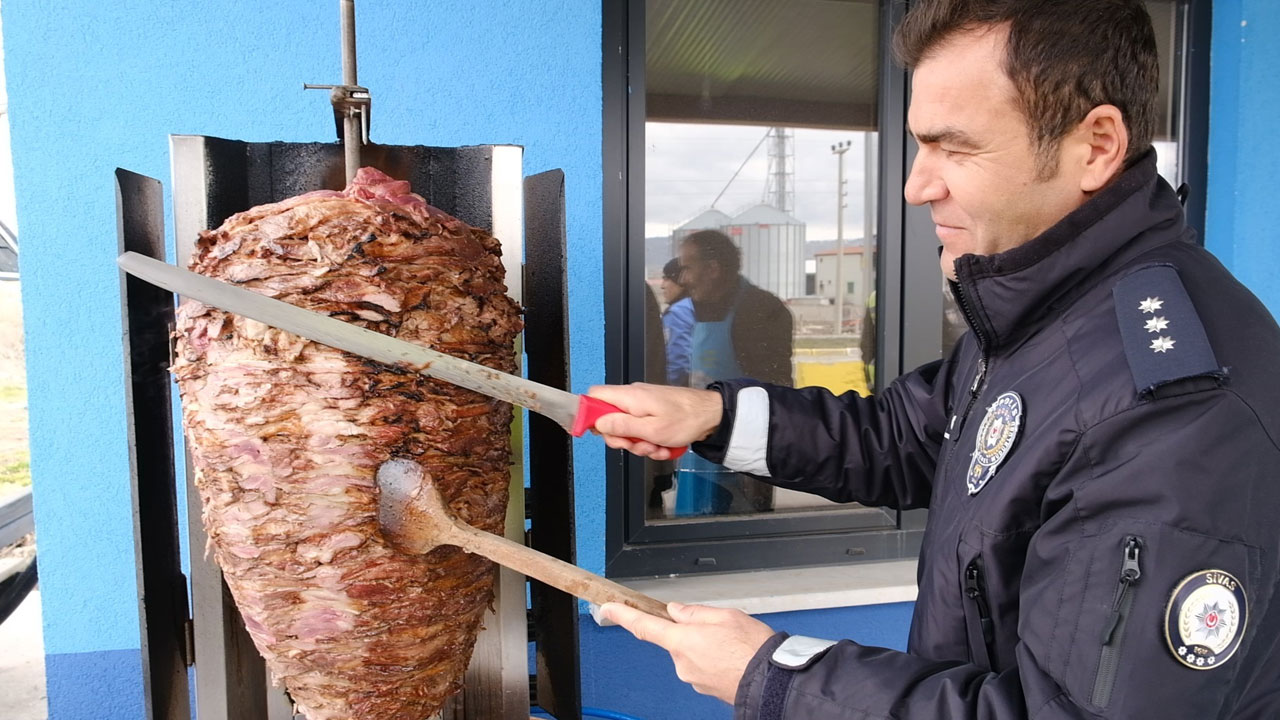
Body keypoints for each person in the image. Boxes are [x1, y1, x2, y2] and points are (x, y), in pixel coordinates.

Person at [589, 1, 1280, 718]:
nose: (918, 185)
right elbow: (905, 437)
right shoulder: (1049, 309)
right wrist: (712, 414)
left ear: (1096, 145)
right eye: (920, 146)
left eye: (957, 147)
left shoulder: (1172, 408)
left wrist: (778, 677)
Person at [671, 230, 792, 516]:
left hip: (742, 456)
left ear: (712, 269)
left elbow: (775, 394)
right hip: (697, 451)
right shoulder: (693, 309)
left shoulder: (760, 310)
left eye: (687, 267)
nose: (683, 279)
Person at [659, 257, 695, 387]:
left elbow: (678, 360)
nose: (662, 286)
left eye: (667, 279)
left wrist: (668, 390)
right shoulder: (696, 307)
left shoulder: (678, 312)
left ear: (681, 282)